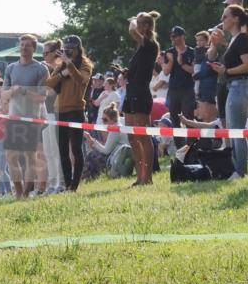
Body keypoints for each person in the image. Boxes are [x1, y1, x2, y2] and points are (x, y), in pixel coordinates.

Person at [208, 5, 248, 180]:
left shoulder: (242, 38)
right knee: (235, 131)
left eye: (225, 16)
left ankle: (240, 171)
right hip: (236, 86)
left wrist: (226, 71)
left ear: (236, 18)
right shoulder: (237, 38)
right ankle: (239, 169)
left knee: (237, 132)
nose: (222, 20)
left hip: (240, 86)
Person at [46, 34, 94, 192]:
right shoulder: (61, 65)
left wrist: (69, 65)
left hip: (76, 110)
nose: (68, 52)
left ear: (78, 49)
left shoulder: (85, 64)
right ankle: (67, 185)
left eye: (71, 49)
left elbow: (81, 80)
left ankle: (74, 185)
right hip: (60, 110)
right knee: (62, 151)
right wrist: (62, 73)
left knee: (76, 149)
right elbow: (49, 82)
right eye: (66, 49)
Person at [4, 35, 48, 199]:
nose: (24, 48)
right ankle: (18, 192)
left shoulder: (41, 69)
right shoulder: (11, 68)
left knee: (30, 157)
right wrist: (12, 92)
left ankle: (26, 193)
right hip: (14, 118)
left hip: (32, 119)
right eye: (22, 45)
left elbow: (42, 97)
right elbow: (4, 95)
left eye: (27, 46)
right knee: (10, 156)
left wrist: (24, 91)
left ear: (34, 49)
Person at [125, 11, 161, 186]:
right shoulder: (140, 47)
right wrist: (128, 73)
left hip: (140, 93)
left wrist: (132, 19)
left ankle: (148, 178)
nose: (136, 25)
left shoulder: (150, 44)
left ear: (146, 26)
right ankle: (139, 176)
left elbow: (132, 31)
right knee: (132, 137)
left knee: (143, 136)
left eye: (139, 23)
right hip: (131, 91)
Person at [162, 25, 196, 145]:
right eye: (172, 37)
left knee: (189, 119)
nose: (173, 39)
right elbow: (166, 72)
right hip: (174, 90)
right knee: (175, 120)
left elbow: (193, 71)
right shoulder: (169, 52)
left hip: (187, 89)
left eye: (175, 36)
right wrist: (171, 61)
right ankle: (179, 149)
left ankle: (192, 148)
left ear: (182, 36)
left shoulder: (192, 51)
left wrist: (181, 64)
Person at [40, 40, 66, 195]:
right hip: (47, 112)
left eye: (46, 53)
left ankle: (60, 183)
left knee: (57, 150)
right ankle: (53, 183)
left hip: (57, 113)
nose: (44, 56)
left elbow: (53, 92)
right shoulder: (51, 70)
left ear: (55, 53)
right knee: (48, 151)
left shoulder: (61, 69)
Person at [84, 106, 129, 180]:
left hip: (116, 160)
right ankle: (90, 179)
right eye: (102, 119)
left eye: (105, 120)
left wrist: (93, 142)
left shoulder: (115, 130)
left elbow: (106, 151)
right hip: (118, 157)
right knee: (93, 155)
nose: (103, 122)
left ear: (113, 119)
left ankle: (86, 179)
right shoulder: (118, 126)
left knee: (91, 156)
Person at [193, 30, 218, 122]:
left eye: (201, 40)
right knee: (204, 114)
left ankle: (209, 135)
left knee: (208, 115)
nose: (199, 43)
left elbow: (208, 69)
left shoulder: (212, 51)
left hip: (209, 87)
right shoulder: (197, 51)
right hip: (204, 86)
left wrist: (196, 76)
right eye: (197, 40)